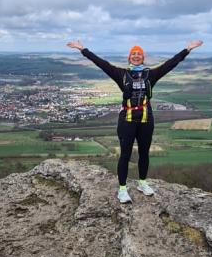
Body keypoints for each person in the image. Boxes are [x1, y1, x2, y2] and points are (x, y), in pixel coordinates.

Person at [66, 38, 204, 203]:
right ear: (129, 57)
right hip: (127, 119)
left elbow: (170, 64)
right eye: (133, 54)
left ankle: (142, 183)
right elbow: (101, 63)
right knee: (125, 154)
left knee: (144, 153)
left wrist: (187, 50)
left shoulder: (150, 74)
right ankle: (122, 189)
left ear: (143, 58)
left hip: (146, 118)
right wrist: (83, 50)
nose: (136, 56)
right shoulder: (121, 74)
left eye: (139, 54)